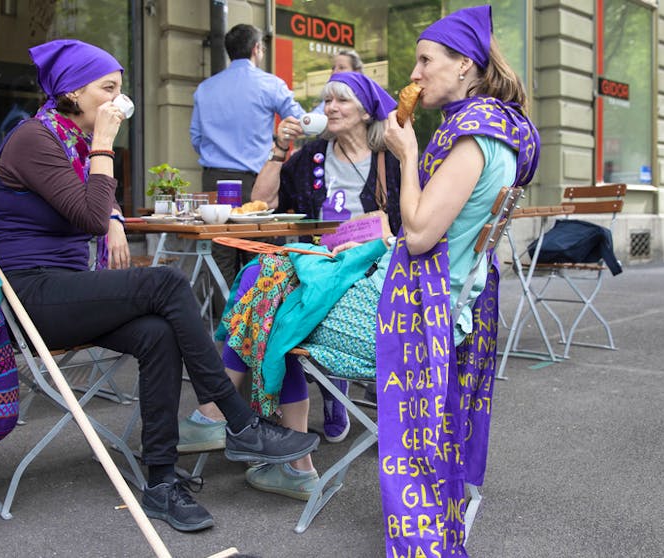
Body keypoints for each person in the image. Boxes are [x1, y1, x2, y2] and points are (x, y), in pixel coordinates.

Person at [0, 39, 319, 533]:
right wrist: (104, 152)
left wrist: (116, 214)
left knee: (158, 335)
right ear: (72, 91)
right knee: (166, 282)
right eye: (108, 88)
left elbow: (98, 207)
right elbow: (91, 213)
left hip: (68, 288)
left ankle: (161, 481)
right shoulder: (34, 139)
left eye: (121, 88)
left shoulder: (72, 145)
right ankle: (240, 422)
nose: (118, 100)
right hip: (27, 298)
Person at [217, 5, 541, 504]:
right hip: (434, 299)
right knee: (275, 273)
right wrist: (382, 241)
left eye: (425, 61)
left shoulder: (476, 134)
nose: (414, 74)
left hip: (414, 316)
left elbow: (419, 235)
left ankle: (255, 436)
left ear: (464, 64)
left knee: (270, 290)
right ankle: (241, 424)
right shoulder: (499, 127)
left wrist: (408, 154)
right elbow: (435, 231)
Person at [178, 72, 401, 459]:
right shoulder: (313, 154)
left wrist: (377, 236)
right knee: (262, 278)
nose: (330, 108)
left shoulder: (391, 158)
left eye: (341, 101)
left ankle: (222, 411)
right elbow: (260, 201)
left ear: (366, 112)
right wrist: (280, 149)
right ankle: (266, 420)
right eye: (327, 100)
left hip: (373, 270)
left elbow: (412, 224)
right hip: (319, 261)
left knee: (263, 282)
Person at [191, 24, 306, 300]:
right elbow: (300, 122)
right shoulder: (270, 84)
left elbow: (196, 137)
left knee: (220, 253)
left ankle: (223, 329)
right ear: (257, 49)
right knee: (259, 253)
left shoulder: (205, 89)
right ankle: (254, 327)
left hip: (215, 180)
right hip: (257, 181)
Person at [310, 50, 364, 114]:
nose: (335, 72)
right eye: (333, 68)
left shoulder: (364, 98)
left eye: (341, 67)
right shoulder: (329, 97)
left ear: (356, 72)